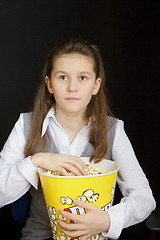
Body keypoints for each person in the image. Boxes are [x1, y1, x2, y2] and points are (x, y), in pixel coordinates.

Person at [0, 40, 156, 240]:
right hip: (39, 236)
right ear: (49, 84)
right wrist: (35, 161)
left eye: (82, 77)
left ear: (95, 85)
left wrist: (107, 220)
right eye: (62, 77)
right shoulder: (26, 125)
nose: (72, 87)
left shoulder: (113, 129)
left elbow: (144, 198)